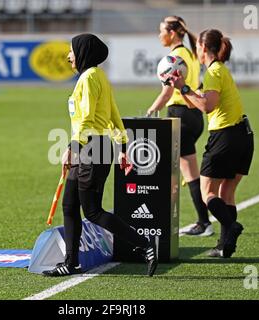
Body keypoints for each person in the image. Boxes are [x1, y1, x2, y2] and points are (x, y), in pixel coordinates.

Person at [43, 34, 158, 277]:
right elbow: (113, 114)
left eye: (71, 51)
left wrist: (72, 148)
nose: (68, 56)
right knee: (70, 205)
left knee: (92, 211)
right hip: (95, 146)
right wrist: (123, 147)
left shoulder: (88, 78)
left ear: (83, 52)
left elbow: (86, 118)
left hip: (91, 148)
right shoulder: (98, 77)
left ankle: (145, 244)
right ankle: (71, 262)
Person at [165, 29, 254, 258]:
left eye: (197, 47)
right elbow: (197, 102)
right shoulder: (219, 70)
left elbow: (207, 106)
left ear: (203, 48)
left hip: (226, 137)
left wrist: (184, 88)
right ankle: (225, 246)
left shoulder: (214, 71)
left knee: (208, 194)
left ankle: (231, 228)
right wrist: (181, 87)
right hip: (243, 135)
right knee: (226, 191)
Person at [146, 16, 213, 237]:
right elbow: (197, 85)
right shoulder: (191, 53)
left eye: (161, 30)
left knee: (179, 172)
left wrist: (150, 111)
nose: (159, 35)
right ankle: (204, 221)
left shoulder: (174, 57)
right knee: (184, 171)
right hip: (193, 116)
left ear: (172, 33)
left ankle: (203, 222)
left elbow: (167, 92)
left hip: (180, 117)